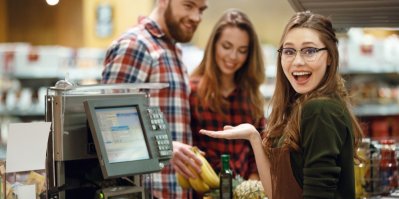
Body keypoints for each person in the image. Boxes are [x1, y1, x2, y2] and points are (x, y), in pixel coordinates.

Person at [200, 11, 363, 199]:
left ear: (330, 57)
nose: (297, 61)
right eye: (289, 51)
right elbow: (276, 192)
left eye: (309, 51)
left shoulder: (319, 110)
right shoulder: (301, 106)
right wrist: (253, 137)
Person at [101, 0, 208, 198]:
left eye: (201, 10)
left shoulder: (171, 49)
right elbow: (108, 130)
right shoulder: (135, 45)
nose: (196, 17)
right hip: (147, 192)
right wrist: (165, 147)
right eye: (188, 5)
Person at [188, 8, 266, 185]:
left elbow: (261, 146)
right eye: (226, 46)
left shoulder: (251, 96)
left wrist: (252, 184)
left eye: (242, 50)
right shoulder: (192, 92)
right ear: (213, 45)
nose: (233, 56)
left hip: (245, 190)